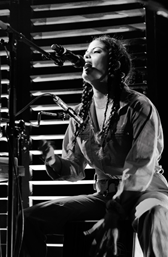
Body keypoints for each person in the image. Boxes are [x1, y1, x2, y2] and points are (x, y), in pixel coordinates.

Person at [17, 35, 168, 257]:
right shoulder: (79, 113)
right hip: (104, 197)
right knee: (29, 218)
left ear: (114, 65)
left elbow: (140, 166)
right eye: (87, 51)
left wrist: (115, 213)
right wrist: (54, 161)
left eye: (95, 51)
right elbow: (75, 170)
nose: (86, 55)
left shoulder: (138, 106)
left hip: (145, 192)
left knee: (154, 214)